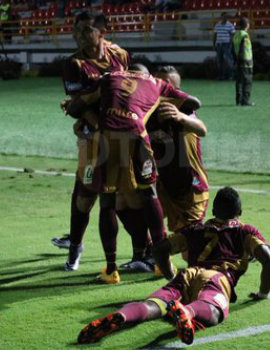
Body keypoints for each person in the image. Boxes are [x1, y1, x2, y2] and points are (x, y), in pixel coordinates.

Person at [77, 187, 270, 345]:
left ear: (214, 211)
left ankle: (122, 315)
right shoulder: (245, 231)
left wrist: (170, 274)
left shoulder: (195, 228)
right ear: (239, 212)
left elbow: (159, 249)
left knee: (154, 304)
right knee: (215, 311)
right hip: (217, 278)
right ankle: (187, 312)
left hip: (187, 274)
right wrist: (263, 294)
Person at [65, 64, 202, 282]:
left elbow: (73, 108)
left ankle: (111, 270)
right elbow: (195, 103)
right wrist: (164, 99)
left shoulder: (109, 77)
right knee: (149, 195)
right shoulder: (156, 83)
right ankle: (160, 262)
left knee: (107, 200)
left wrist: (95, 109)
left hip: (108, 138)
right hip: (138, 135)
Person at [52, 10, 133, 278]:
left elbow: (129, 91)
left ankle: (142, 253)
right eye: (77, 30)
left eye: (87, 30)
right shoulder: (73, 64)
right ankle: (75, 246)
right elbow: (76, 106)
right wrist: (98, 126)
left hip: (121, 135)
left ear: (102, 32)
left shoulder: (120, 55)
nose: (81, 35)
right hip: (93, 137)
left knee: (124, 196)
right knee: (85, 196)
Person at [149, 65, 209, 235]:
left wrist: (180, 117)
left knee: (187, 248)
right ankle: (146, 255)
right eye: (157, 81)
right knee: (139, 212)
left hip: (190, 187)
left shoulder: (183, 110)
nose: (159, 86)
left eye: (165, 84)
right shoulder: (150, 111)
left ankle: (232, 243)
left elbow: (202, 129)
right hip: (166, 185)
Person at [233, 17, 254, 106]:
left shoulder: (236, 35)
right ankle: (245, 100)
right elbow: (242, 48)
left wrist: (236, 60)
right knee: (247, 81)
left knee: (239, 81)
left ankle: (238, 100)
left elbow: (233, 48)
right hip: (246, 61)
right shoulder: (245, 35)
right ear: (247, 25)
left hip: (238, 60)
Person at [213, 12, 235, 80]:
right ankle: (221, 76)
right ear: (222, 17)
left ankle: (231, 76)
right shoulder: (217, 25)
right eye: (224, 17)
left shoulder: (230, 25)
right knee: (219, 61)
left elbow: (232, 35)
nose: (225, 18)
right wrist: (214, 44)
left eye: (226, 17)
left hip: (226, 44)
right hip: (219, 44)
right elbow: (215, 35)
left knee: (229, 60)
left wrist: (231, 44)